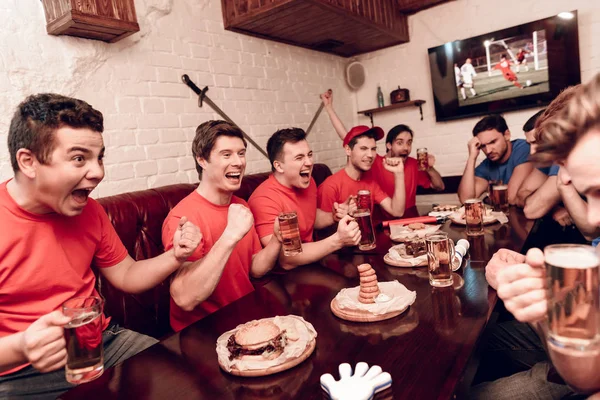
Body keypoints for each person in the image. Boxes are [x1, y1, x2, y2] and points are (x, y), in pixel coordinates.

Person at [0, 94, 202, 399]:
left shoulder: (89, 211)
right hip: (18, 372)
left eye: (100, 157)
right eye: (79, 158)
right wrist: (22, 346)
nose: (97, 172)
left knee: (188, 386)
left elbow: (127, 275)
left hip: (101, 344)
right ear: (29, 161)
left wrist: (176, 255)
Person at [480, 73, 600, 398]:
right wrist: (546, 289)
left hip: (568, 369)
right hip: (576, 345)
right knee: (474, 340)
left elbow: (584, 377)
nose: (593, 218)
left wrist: (544, 307)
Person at [162, 121, 283, 332]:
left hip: (244, 318)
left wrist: (276, 241)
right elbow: (185, 298)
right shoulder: (182, 218)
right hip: (204, 331)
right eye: (226, 155)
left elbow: (254, 268)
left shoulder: (240, 205)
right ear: (202, 160)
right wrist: (229, 236)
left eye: (241, 153)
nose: (238, 162)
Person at [248, 128, 361, 270]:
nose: (309, 162)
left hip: (312, 262)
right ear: (279, 166)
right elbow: (287, 258)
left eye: (309, 155)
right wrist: (338, 240)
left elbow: (309, 218)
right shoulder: (264, 199)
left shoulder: (308, 181)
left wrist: (333, 216)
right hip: (286, 274)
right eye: (299, 158)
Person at [320, 90, 444, 217]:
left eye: (409, 143)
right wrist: (329, 108)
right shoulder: (375, 162)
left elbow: (439, 187)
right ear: (389, 145)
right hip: (380, 221)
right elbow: (348, 138)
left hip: (406, 219)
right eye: (400, 142)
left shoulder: (374, 183)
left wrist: (425, 169)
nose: (406, 147)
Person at [317, 125, 407, 225]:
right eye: (363, 148)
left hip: (367, 239)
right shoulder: (330, 186)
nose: (370, 155)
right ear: (348, 150)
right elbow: (322, 231)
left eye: (373, 149)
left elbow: (397, 211)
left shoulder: (370, 182)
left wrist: (399, 173)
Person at [457, 114, 533, 204]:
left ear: (506, 135)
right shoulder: (487, 164)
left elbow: (511, 197)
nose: (488, 151)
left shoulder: (524, 148)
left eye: (493, 142)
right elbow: (466, 200)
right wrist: (472, 158)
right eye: (483, 146)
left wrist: (488, 199)